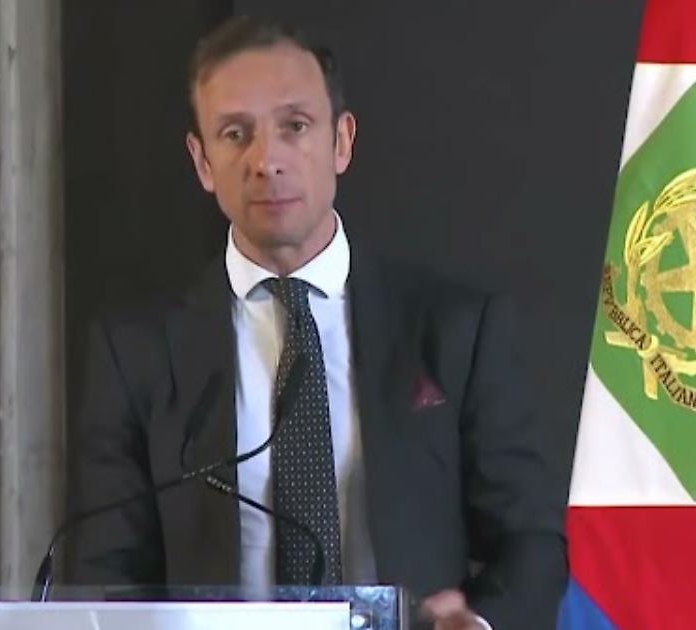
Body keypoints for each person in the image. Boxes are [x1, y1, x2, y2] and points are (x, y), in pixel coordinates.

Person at [69, 15, 568, 629]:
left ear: (341, 142)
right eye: (235, 134)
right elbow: (106, 577)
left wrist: (480, 623)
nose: (266, 160)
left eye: (295, 127)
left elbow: (530, 543)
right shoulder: (138, 353)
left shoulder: (455, 331)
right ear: (202, 161)